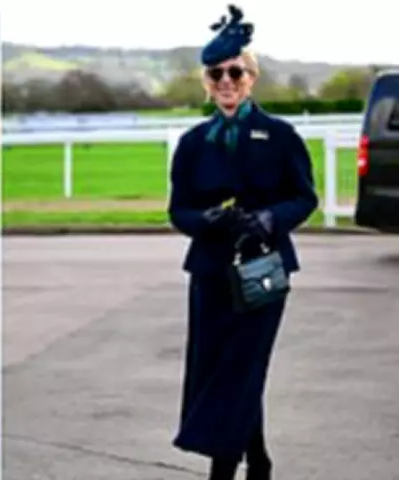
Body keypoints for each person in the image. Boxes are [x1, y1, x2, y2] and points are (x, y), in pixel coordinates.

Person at [167, 5, 318, 480]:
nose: (226, 81)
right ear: (207, 82)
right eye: (217, 74)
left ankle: (222, 469)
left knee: (243, 365)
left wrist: (271, 218)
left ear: (251, 78)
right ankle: (259, 458)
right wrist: (206, 219)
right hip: (210, 270)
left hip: (264, 269)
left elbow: (305, 197)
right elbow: (179, 210)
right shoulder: (193, 142)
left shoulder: (279, 136)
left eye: (236, 72)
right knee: (218, 366)